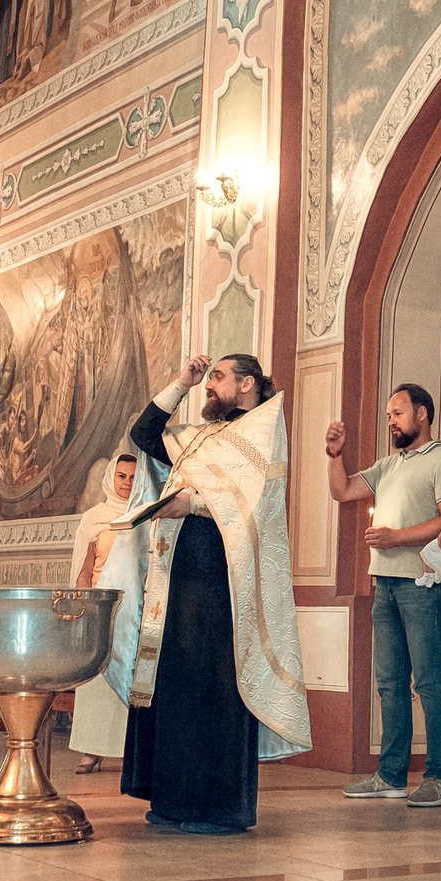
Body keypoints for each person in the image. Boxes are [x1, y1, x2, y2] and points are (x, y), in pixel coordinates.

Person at [120, 354, 311, 833]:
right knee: (179, 683)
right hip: (178, 576)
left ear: (247, 384)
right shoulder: (200, 436)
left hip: (223, 581)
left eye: (218, 378)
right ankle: (172, 798)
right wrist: (180, 383)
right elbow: (143, 435)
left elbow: (256, 503)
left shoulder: (262, 431)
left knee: (214, 687)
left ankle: (218, 808)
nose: (209, 385)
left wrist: (194, 502)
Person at [327, 383, 441, 809]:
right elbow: (343, 491)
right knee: (389, 683)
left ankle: (440, 778)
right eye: (388, 415)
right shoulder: (389, 465)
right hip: (384, 583)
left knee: (429, 682)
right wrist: (335, 455)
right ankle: (390, 775)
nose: (391, 421)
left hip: (423, 585)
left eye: (398, 413)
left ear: (422, 414)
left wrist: (395, 538)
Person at [67, 452, 138, 774]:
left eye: (133, 477)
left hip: (136, 609)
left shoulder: (146, 514)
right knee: (97, 680)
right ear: (111, 478)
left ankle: (131, 752)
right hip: (102, 608)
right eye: (121, 476)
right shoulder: (94, 518)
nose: (127, 483)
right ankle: (92, 750)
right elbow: (84, 568)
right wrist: (84, 606)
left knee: (132, 679)